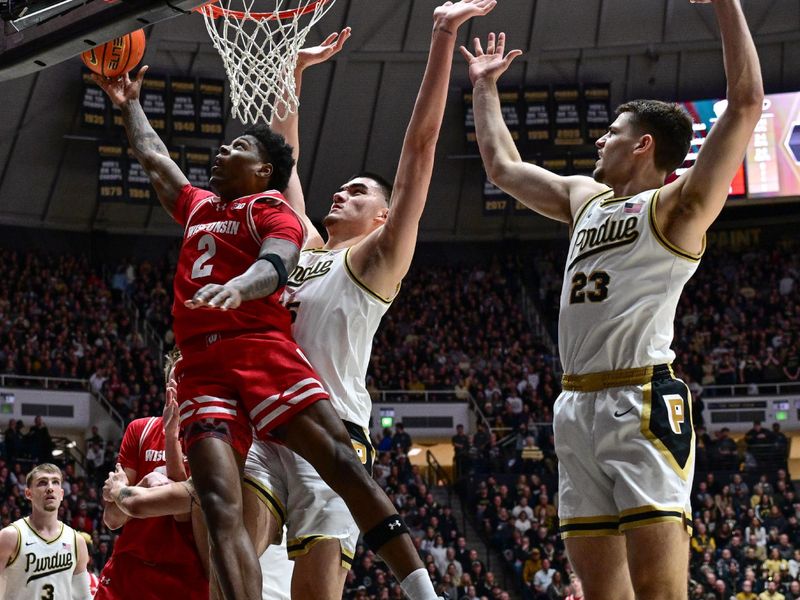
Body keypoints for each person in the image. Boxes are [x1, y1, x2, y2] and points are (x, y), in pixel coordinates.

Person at [93, 16, 472, 594]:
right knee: (222, 536)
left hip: (326, 415)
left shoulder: (373, 260)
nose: (339, 192)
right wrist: (290, 75)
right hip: (256, 417)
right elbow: (277, 162)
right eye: (338, 187)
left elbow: (417, 154)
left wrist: (443, 37)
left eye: (358, 191)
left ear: (382, 217)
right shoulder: (300, 241)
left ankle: (424, 590)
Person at [462, 0, 763, 598]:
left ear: (643, 145)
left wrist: (726, 6)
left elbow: (748, 103)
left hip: (641, 400)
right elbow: (501, 166)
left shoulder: (677, 208)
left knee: (657, 589)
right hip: (574, 407)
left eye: (613, 133)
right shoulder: (584, 198)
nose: (600, 139)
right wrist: (484, 89)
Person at [94, 350, 208, 600]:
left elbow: (184, 509)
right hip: (128, 570)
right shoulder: (140, 430)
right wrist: (136, 490)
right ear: (169, 385)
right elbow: (112, 519)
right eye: (178, 379)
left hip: (185, 575)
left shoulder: (211, 441)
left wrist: (170, 438)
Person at [0, 463, 91, 599]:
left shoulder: (76, 541)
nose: (50, 488)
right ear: (28, 493)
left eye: (55, 482)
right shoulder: (10, 537)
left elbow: (83, 597)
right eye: (42, 483)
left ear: (61, 494)